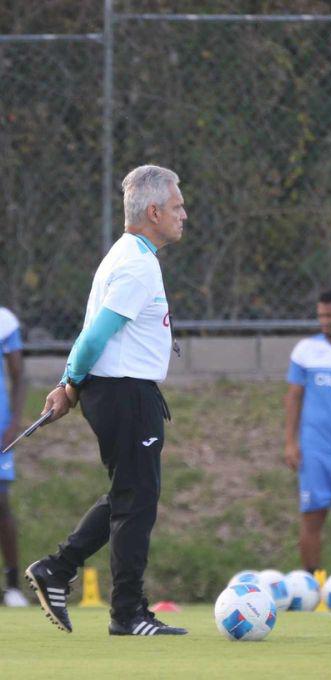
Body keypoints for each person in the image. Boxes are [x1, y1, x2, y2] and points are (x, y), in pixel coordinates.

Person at [26, 165, 187, 635]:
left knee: (128, 495)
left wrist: (71, 385)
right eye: (177, 206)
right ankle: (127, 613)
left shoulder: (127, 254)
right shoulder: (137, 263)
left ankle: (57, 569)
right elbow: (95, 335)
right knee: (137, 500)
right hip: (125, 394)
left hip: (119, 392)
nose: (184, 213)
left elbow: (97, 334)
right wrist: (68, 381)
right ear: (153, 211)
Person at [285, 289, 331, 575]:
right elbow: (293, 397)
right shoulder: (306, 350)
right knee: (312, 517)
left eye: (330, 315)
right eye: (320, 315)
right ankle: (313, 583)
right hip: (316, 449)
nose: (325, 321)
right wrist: (290, 443)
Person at [0, 306, 28, 606]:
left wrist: (14, 424)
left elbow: (19, 378)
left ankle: (12, 586)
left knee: (1, 500)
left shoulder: (4, 320)